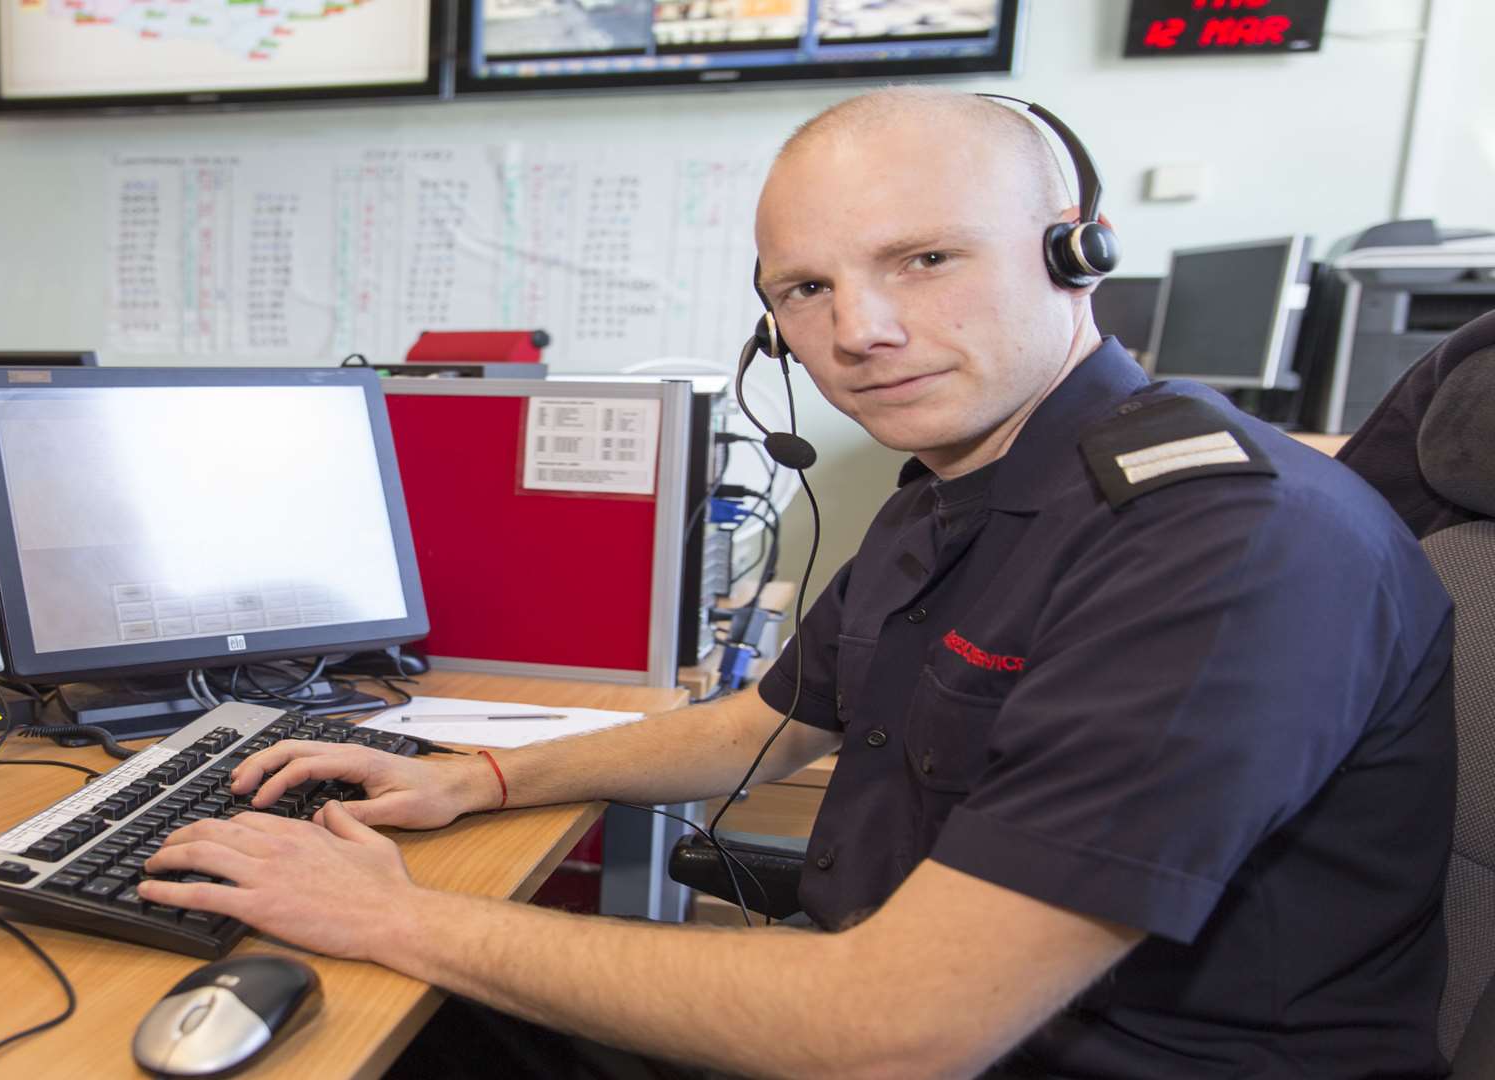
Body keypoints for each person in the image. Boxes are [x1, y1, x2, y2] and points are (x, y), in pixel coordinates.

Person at [139, 86, 1458, 1078]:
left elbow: (905, 1027)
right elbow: (775, 719)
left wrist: (392, 917)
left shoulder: (1223, 546)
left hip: (1013, 1051)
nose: (860, 331)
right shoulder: (961, 480)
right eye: (808, 289)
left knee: (379, 1014)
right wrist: (477, 779)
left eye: (923, 260)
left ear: (1075, 252)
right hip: (911, 1018)